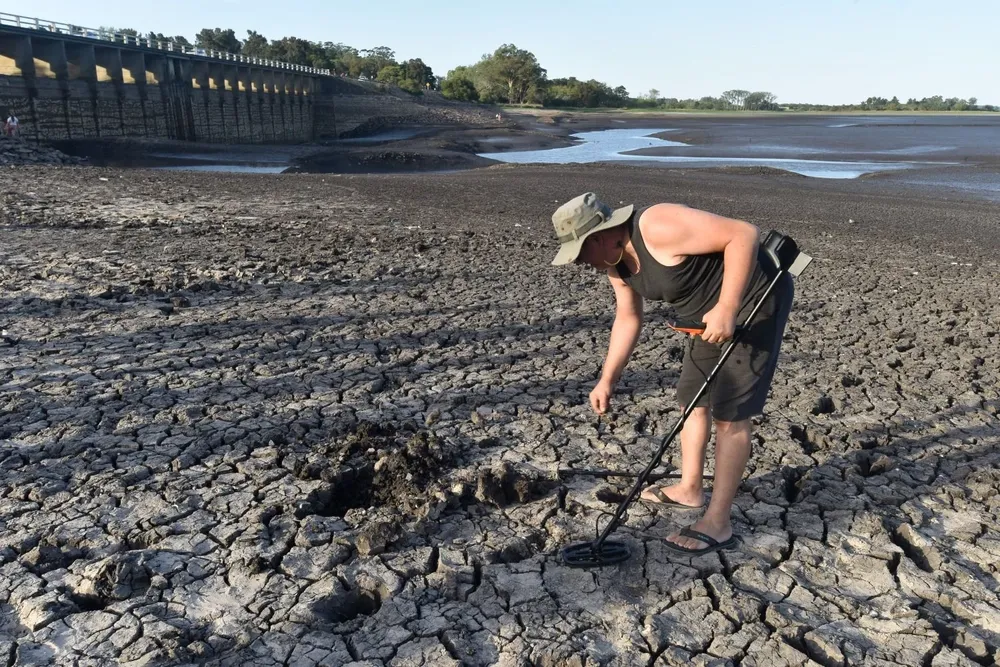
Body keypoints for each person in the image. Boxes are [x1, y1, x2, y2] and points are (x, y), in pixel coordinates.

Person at [550, 192, 794, 556]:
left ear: (599, 236)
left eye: (581, 253)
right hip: (704, 316)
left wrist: (727, 307)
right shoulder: (615, 266)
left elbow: (743, 234)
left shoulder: (657, 225)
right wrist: (607, 379)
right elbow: (628, 318)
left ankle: (718, 522)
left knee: (730, 415)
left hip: (752, 300)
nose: (581, 264)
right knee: (691, 401)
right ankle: (690, 488)